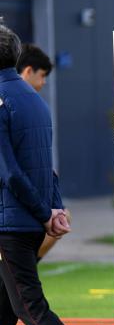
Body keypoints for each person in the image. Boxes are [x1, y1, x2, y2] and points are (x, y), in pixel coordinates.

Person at [0, 24, 114, 325]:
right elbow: (45, 169)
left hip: (11, 222)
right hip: (27, 219)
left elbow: (11, 173)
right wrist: (53, 209)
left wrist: (43, 212)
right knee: (6, 305)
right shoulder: (34, 99)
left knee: (30, 307)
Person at [16, 43, 70, 261]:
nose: (44, 82)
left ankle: (22, 268)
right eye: (42, 75)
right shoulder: (15, 104)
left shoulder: (33, 105)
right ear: (28, 71)